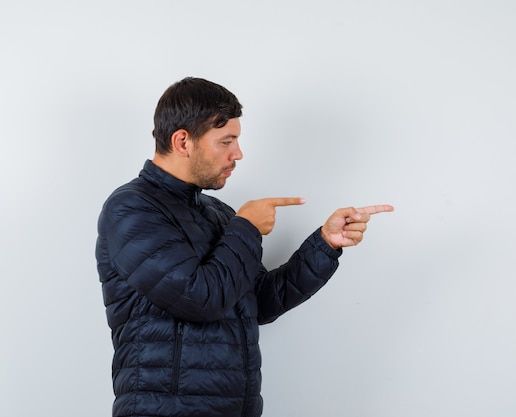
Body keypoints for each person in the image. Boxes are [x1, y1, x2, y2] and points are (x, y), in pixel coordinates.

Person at [95, 76, 393, 417]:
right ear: (182, 141)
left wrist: (324, 245)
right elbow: (200, 298)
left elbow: (259, 303)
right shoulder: (131, 208)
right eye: (226, 141)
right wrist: (248, 226)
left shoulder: (218, 213)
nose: (238, 153)